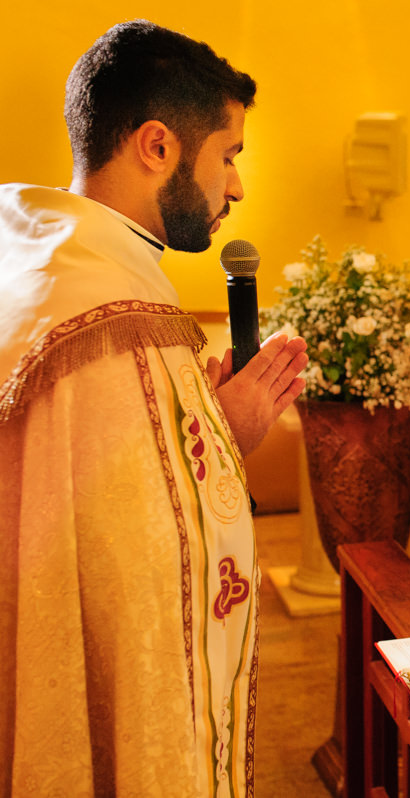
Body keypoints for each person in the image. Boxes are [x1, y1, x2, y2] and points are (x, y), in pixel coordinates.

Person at [0, 21, 307, 796]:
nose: (236, 187)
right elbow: (139, 572)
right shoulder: (113, 314)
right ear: (158, 146)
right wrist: (227, 433)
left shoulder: (38, 258)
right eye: (229, 156)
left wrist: (193, 415)